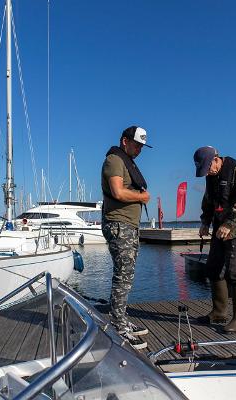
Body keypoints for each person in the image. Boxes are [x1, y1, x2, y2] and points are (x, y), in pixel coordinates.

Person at [193, 146, 236, 333]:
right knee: (213, 268)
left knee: (235, 272)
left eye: (208, 167)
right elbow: (208, 200)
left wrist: (230, 224)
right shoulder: (210, 176)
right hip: (220, 227)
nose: (208, 172)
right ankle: (219, 312)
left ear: (216, 159)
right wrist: (205, 222)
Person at [101, 125, 151, 349]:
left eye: (142, 146)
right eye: (136, 144)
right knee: (123, 276)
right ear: (124, 141)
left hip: (128, 227)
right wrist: (142, 196)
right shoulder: (115, 160)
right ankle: (118, 325)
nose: (139, 149)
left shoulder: (125, 161)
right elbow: (118, 192)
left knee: (126, 276)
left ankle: (121, 319)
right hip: (119, 225)